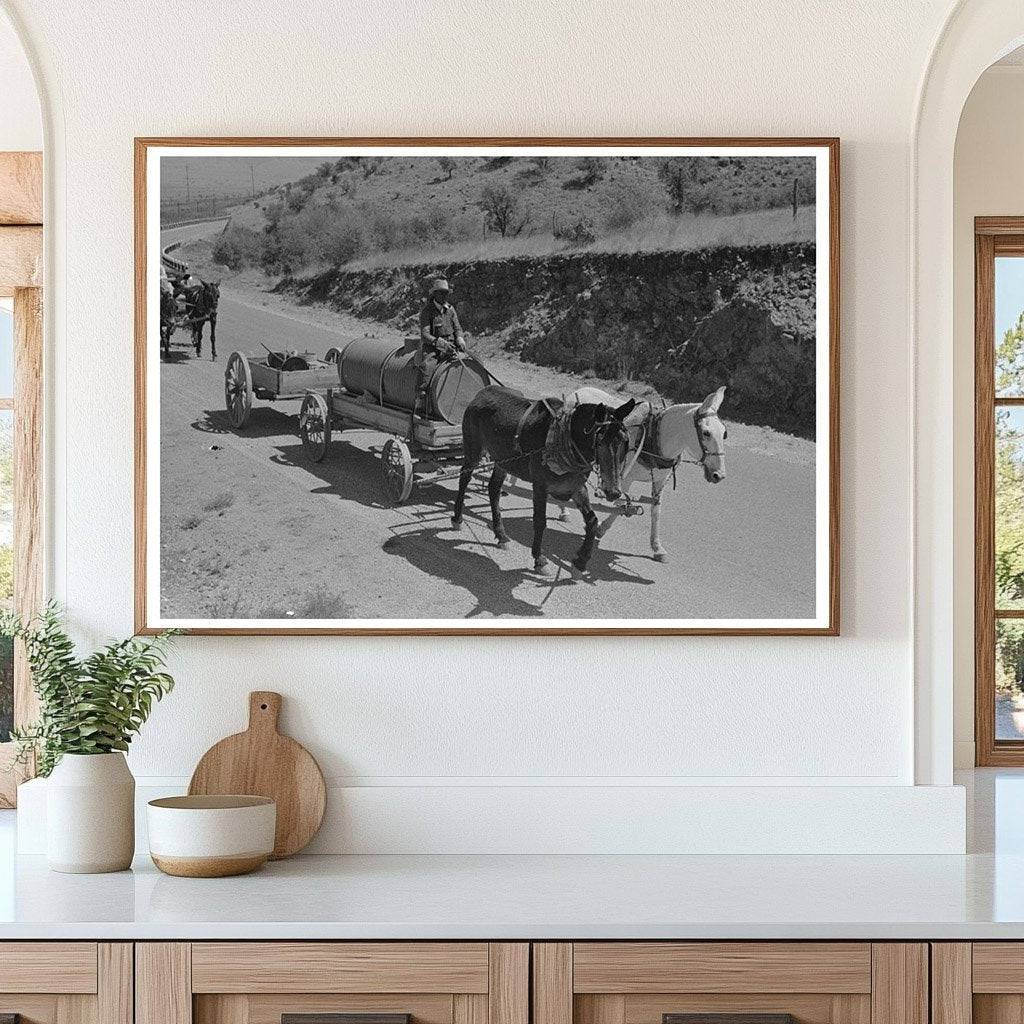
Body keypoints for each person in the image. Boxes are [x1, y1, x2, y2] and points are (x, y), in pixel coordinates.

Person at [417, 277, 466, 364]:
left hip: (452, 346)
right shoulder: (427, 311)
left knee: (475, 362)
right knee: (427, 368)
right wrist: (440, 343)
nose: (444, 295)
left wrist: (459, 338)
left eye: (446, 293)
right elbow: (425, 335)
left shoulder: (451, 309)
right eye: (441, 293)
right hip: (433, 348)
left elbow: (457, 328)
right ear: (435, 294)